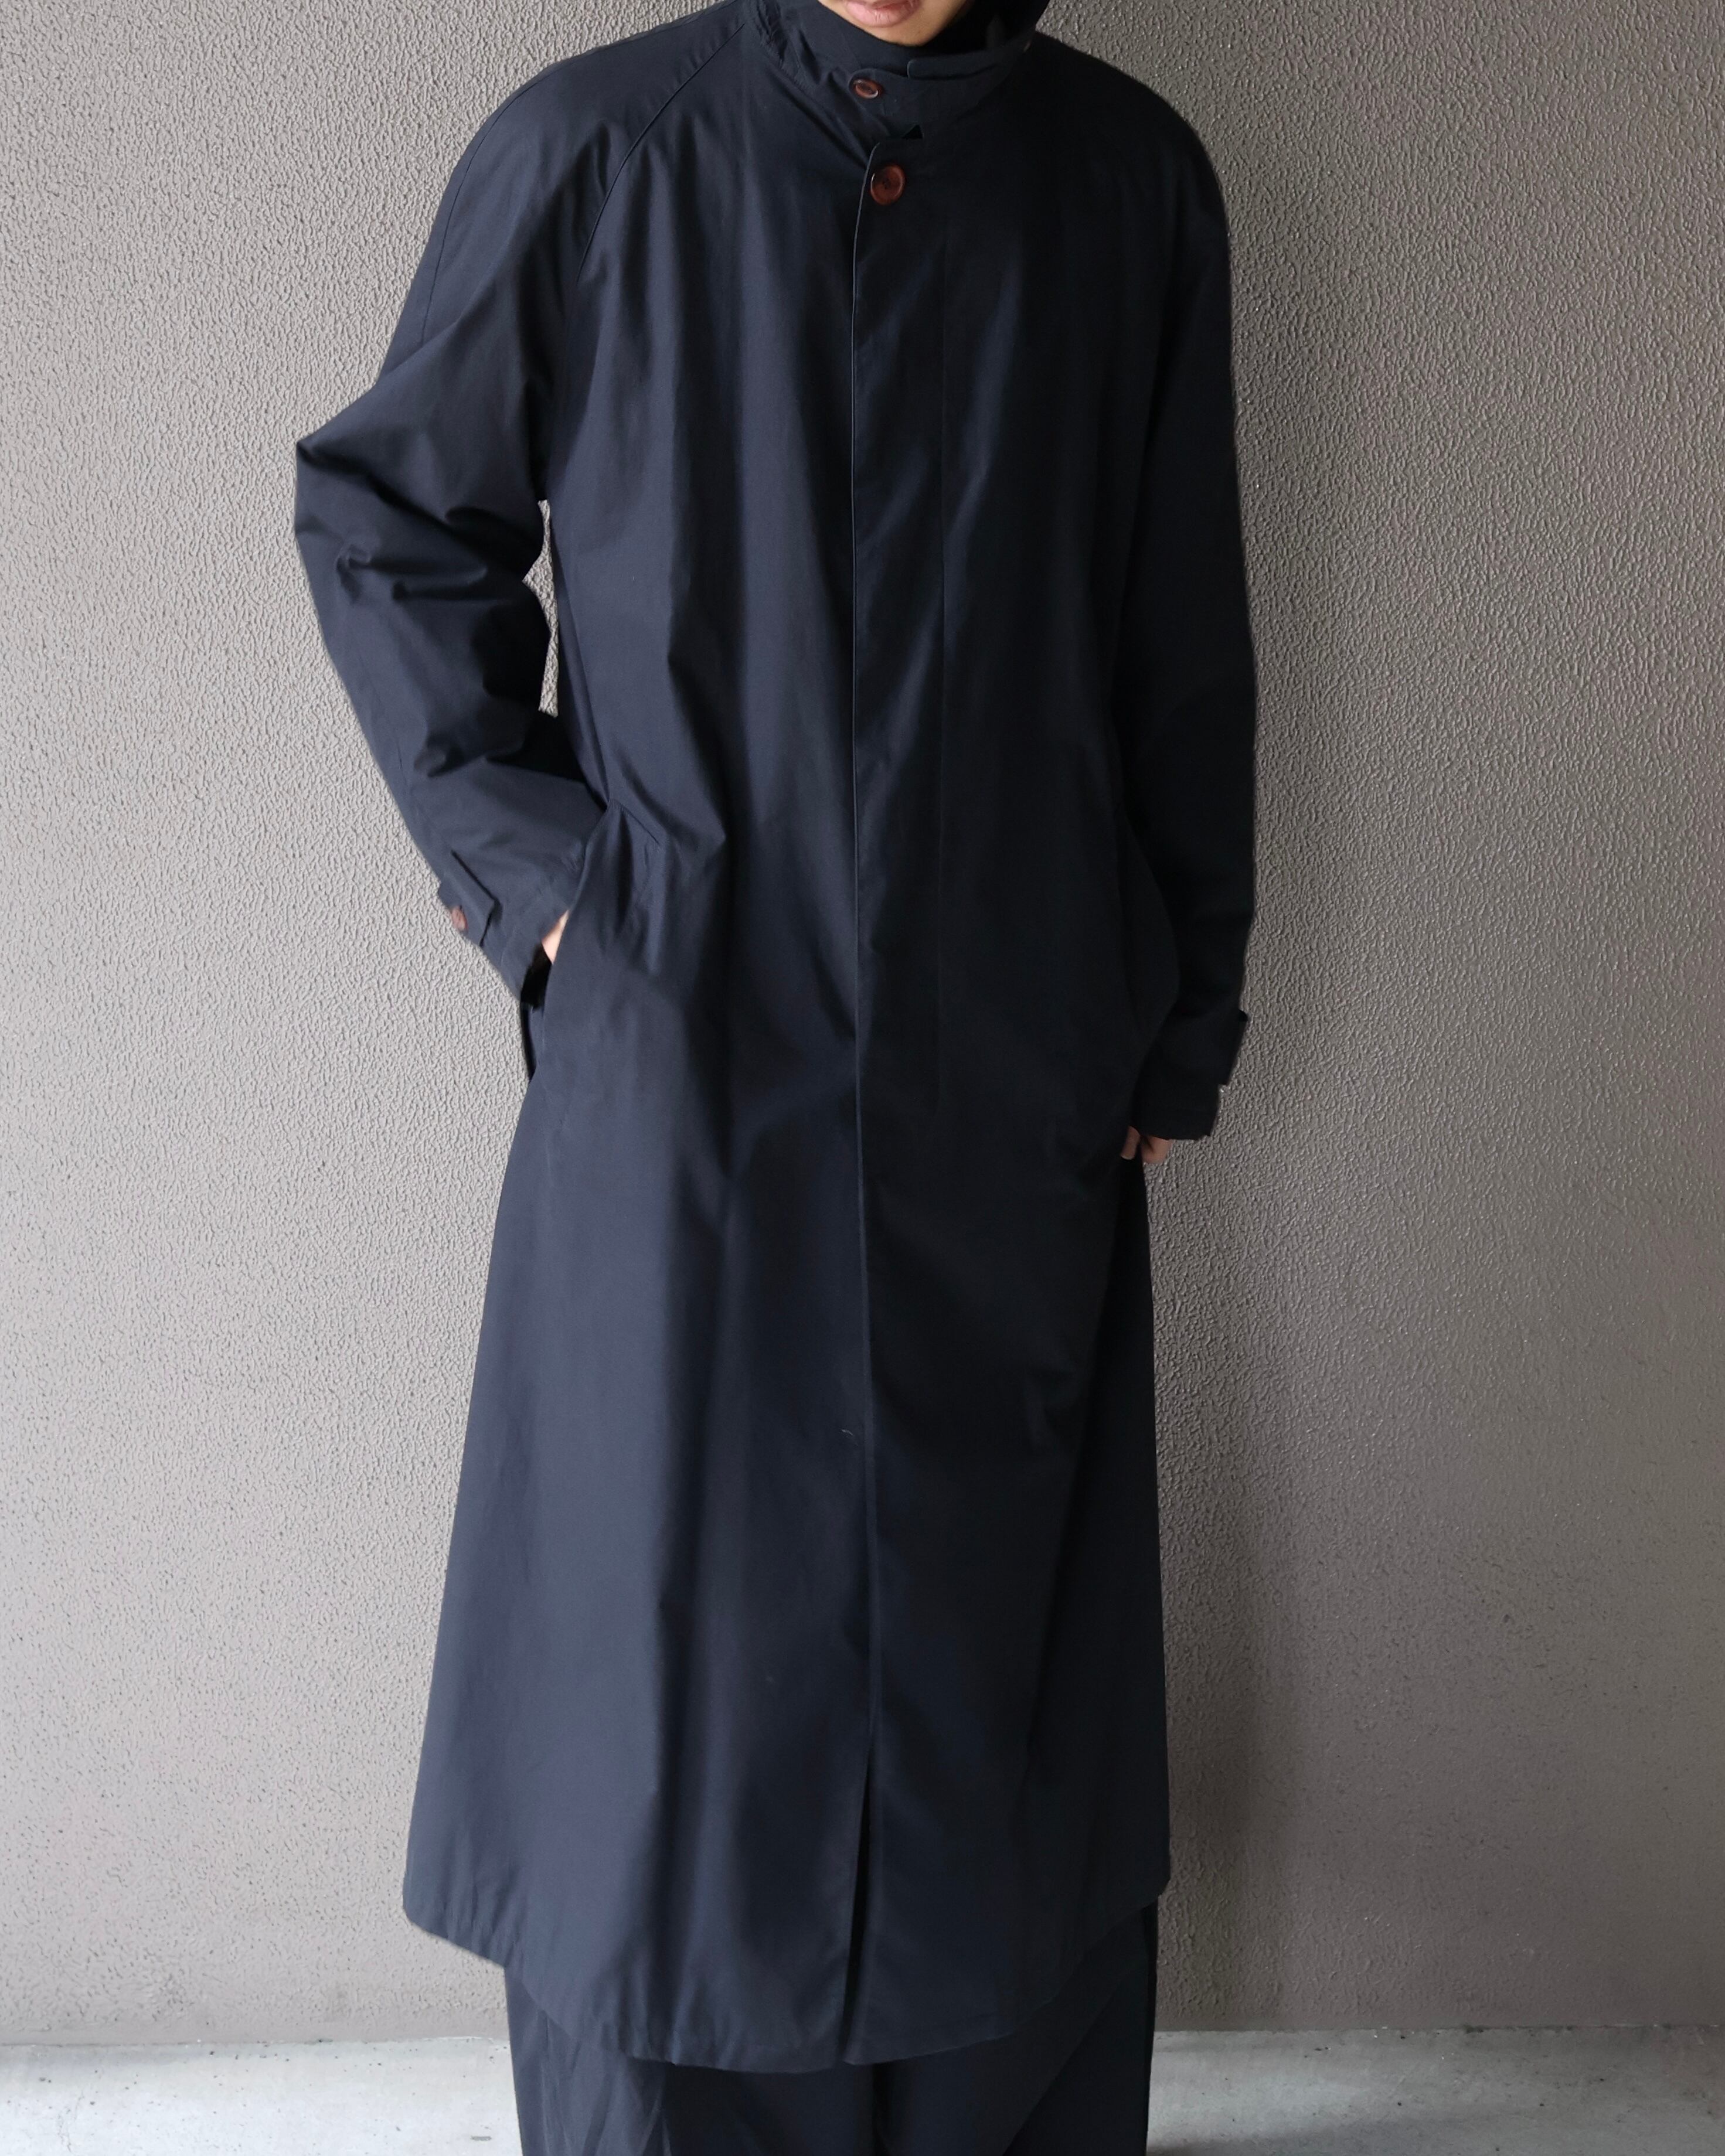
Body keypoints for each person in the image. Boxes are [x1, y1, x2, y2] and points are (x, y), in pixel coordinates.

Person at [293, 0, 1256, 2143]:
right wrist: (558, 893)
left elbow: (1180, 629)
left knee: (994, 1677)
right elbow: (387, 520)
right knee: (666, 1681)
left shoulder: (1130, 186)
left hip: (1019, 1064)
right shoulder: (594, 155)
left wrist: (1175, 1008)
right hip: (684, 1065)